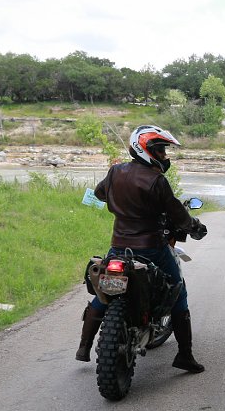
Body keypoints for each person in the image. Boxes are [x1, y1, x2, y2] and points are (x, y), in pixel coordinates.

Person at [75, 124, 209, 373]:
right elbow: (178, 215)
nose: (164, 156)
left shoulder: (116, 171)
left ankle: (83, 347)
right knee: (178, 292)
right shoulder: (156, 180)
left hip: (119, 246)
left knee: (105, 294)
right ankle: (185, 355)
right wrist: (195, 226)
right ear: (145, 150)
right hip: (152, 248)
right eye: (160, 151)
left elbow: (99, 193)